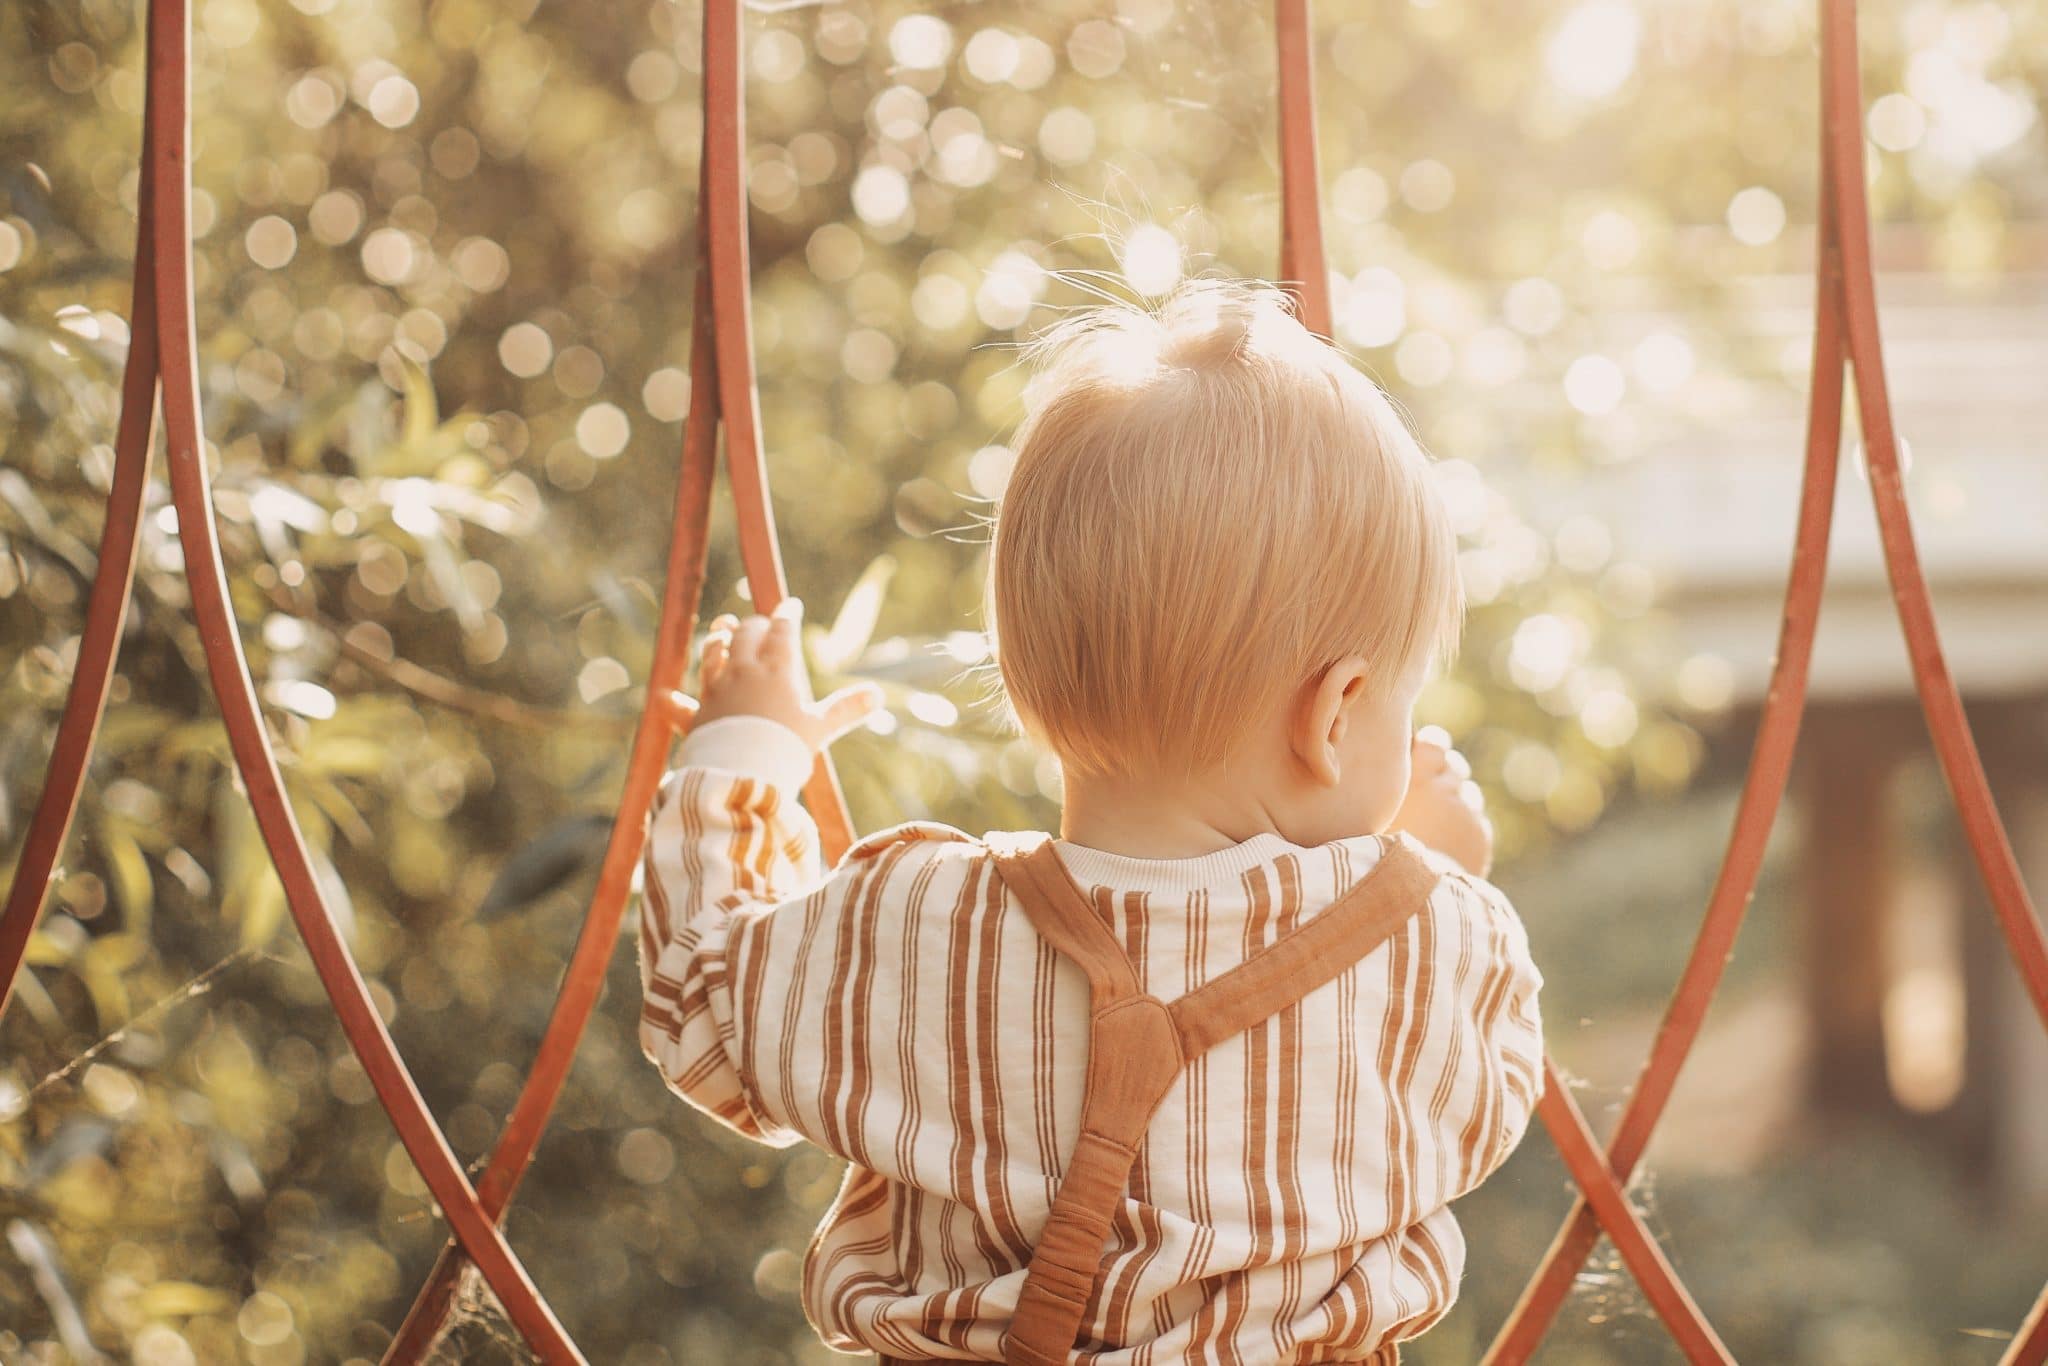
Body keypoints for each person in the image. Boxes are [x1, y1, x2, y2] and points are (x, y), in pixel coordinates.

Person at [637, 279, 1544, 1364]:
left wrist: (746, 750)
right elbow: (1477, 1108)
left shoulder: (913, 922)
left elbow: (702, 1010)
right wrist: (1425, 871)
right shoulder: (1438, 941)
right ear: (1337, 713)